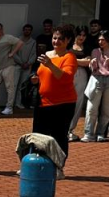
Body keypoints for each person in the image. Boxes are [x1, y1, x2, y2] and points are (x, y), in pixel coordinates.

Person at [32, 28, 78, 160]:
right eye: (54, 38)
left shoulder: (69, 57)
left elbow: (66, 78)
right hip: (43, 102)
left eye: (60, 39)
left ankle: (58, 166)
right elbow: (41, 74)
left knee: (58, 135)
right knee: (39, 135)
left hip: (63, 103)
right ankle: (37, 162)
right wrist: (35, 80)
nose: (56, 41)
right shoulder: (46, 54)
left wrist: (50, 65)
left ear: (67, 40)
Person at [81, 30, 109, 142]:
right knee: (91, 108)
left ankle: (100, 133)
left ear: (108, 40)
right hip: (96, 79)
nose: (100, 42)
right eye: (99, 40)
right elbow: (93, 69)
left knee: (106, 109)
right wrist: (92, 65)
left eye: (103, 39)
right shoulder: (95, 51)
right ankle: (88, 133)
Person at [0, 22, 21, 115]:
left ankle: (9, 108)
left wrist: (13, 53)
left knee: (9, 88)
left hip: (8, 66)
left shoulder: (8, 38)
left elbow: (20, 42)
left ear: (2, 30)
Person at [68, 27, 91, 140]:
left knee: (78, 101)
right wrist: (80, 61)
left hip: (82, 75)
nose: (81, 37)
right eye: (79, 35)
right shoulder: (68, 46)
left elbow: (88, 62)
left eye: (84, 35)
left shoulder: (87, 48)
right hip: (68, 74)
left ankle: (70, 129)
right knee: (66, 100)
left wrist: (72, 60)